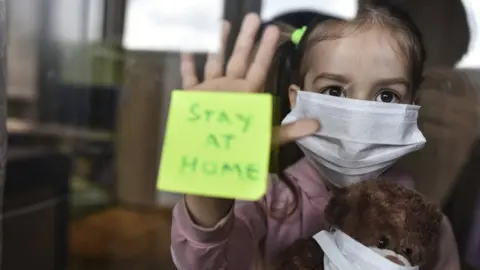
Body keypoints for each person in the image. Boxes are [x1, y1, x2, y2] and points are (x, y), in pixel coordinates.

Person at [170, 6, 460, 270]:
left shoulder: (427, 225)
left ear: (413, 105)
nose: (357, 117)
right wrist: (210, 183)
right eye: (334, 91)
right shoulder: (267, 200)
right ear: (298, 101)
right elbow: (205, 264)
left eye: (387, 96)